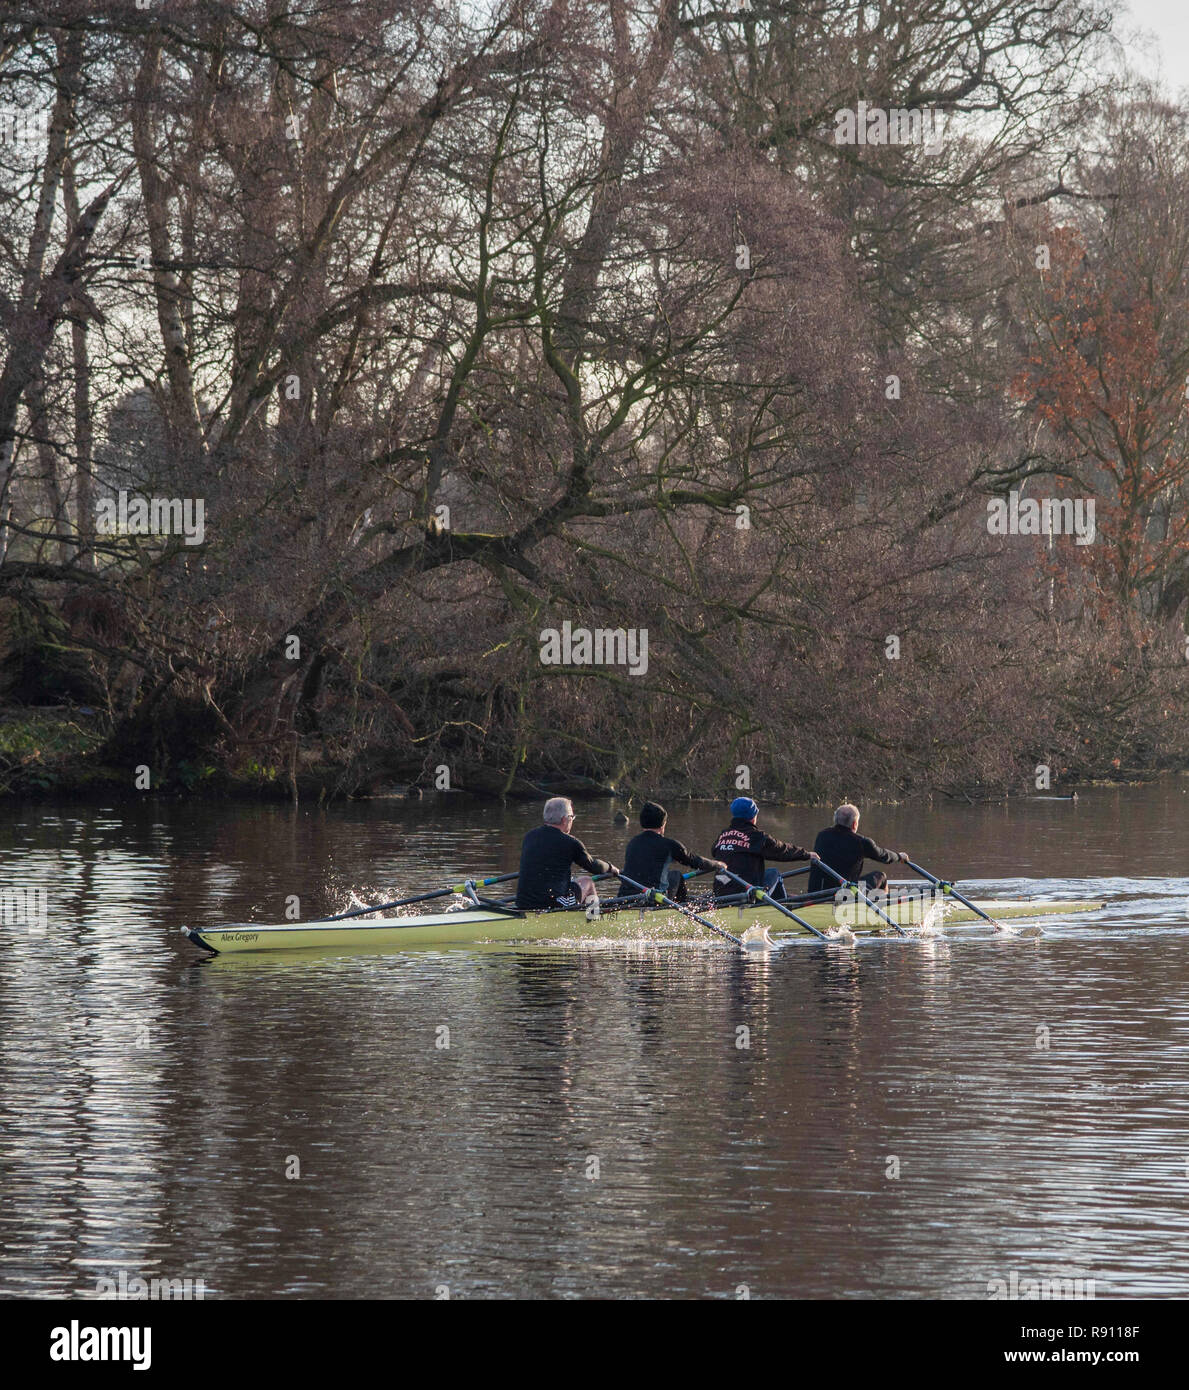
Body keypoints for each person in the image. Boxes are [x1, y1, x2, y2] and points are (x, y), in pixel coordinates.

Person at [516, 797, 617, 909]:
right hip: (552, 904)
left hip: (523, 903)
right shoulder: (570, 842)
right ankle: (593, 920)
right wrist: (610, 867)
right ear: (564, 819)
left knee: (571, 883)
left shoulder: (529, 836)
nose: (572, 820)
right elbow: (594, 867)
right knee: (587, 882)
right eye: (571, 817)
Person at [711, 797, 818, 901]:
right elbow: (782, 850)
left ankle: (778, 903)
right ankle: (783, 908)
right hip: (749, 894)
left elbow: (713, 851)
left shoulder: (723, 835)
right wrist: (807, 854)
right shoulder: (757, 837)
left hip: (721, 894)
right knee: (774, 873)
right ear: (753, 817)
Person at [616, 802, 726, 901]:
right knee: (676, 875)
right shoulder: (669, 845)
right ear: (663, 824)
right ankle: (684, 904)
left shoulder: (632, 843)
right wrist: (717, 864)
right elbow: (695, 861)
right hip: (654, 899)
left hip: (625, 898)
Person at [807, 803, 909, 895]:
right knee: (881, 876)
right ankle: (882, 908)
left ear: (835, 820)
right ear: (855, 824)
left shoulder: (821, 836)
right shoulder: (862, 842)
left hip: (815, 894)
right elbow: (884, 856)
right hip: (843, 894)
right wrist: (899, 856)